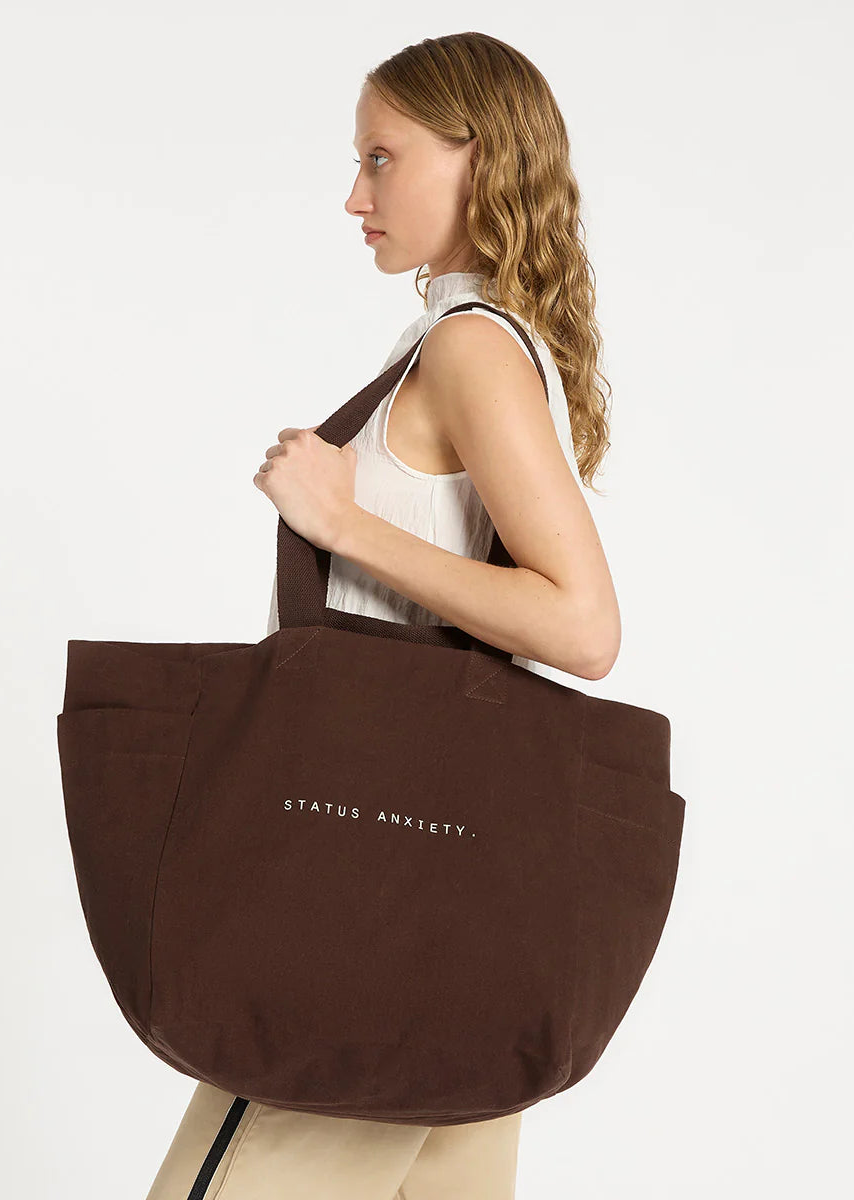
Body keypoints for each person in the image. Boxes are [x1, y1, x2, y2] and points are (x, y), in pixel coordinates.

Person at [145, 30, 619, 1200]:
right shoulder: (475, 341)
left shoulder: (469, 350)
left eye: (381, 158)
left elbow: (583, 626)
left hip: (364, 905)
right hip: (454, 922)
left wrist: (343, 524)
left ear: (478, 157)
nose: (354, 197)